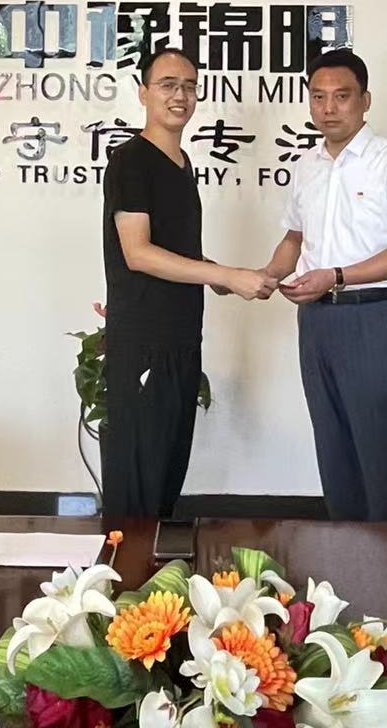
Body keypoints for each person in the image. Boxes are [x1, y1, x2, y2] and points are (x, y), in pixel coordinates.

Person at [261, 48, 387, 521]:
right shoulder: (307, 165)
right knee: (332, 443)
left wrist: (335, 276)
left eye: (341, 96)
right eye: (318, 97)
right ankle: (346, 554)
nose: (328, 108)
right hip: (316, 320)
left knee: (381, 447)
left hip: (371, 317)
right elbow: (294, 238)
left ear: (365, 100)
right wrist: (266, 277)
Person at [101, 44, 274, 517]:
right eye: (168, 85)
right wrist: (224, 274)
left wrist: (221, 278)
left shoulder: (181, 163)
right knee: (137, 483)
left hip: (180, 338)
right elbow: (137, 253)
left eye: (189, 87)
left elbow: (174, 248)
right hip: (144, 344)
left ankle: (153, 565)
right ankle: (122, 565)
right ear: (143, 93)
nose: (180, 96)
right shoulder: (130, 161)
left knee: (167, 473)